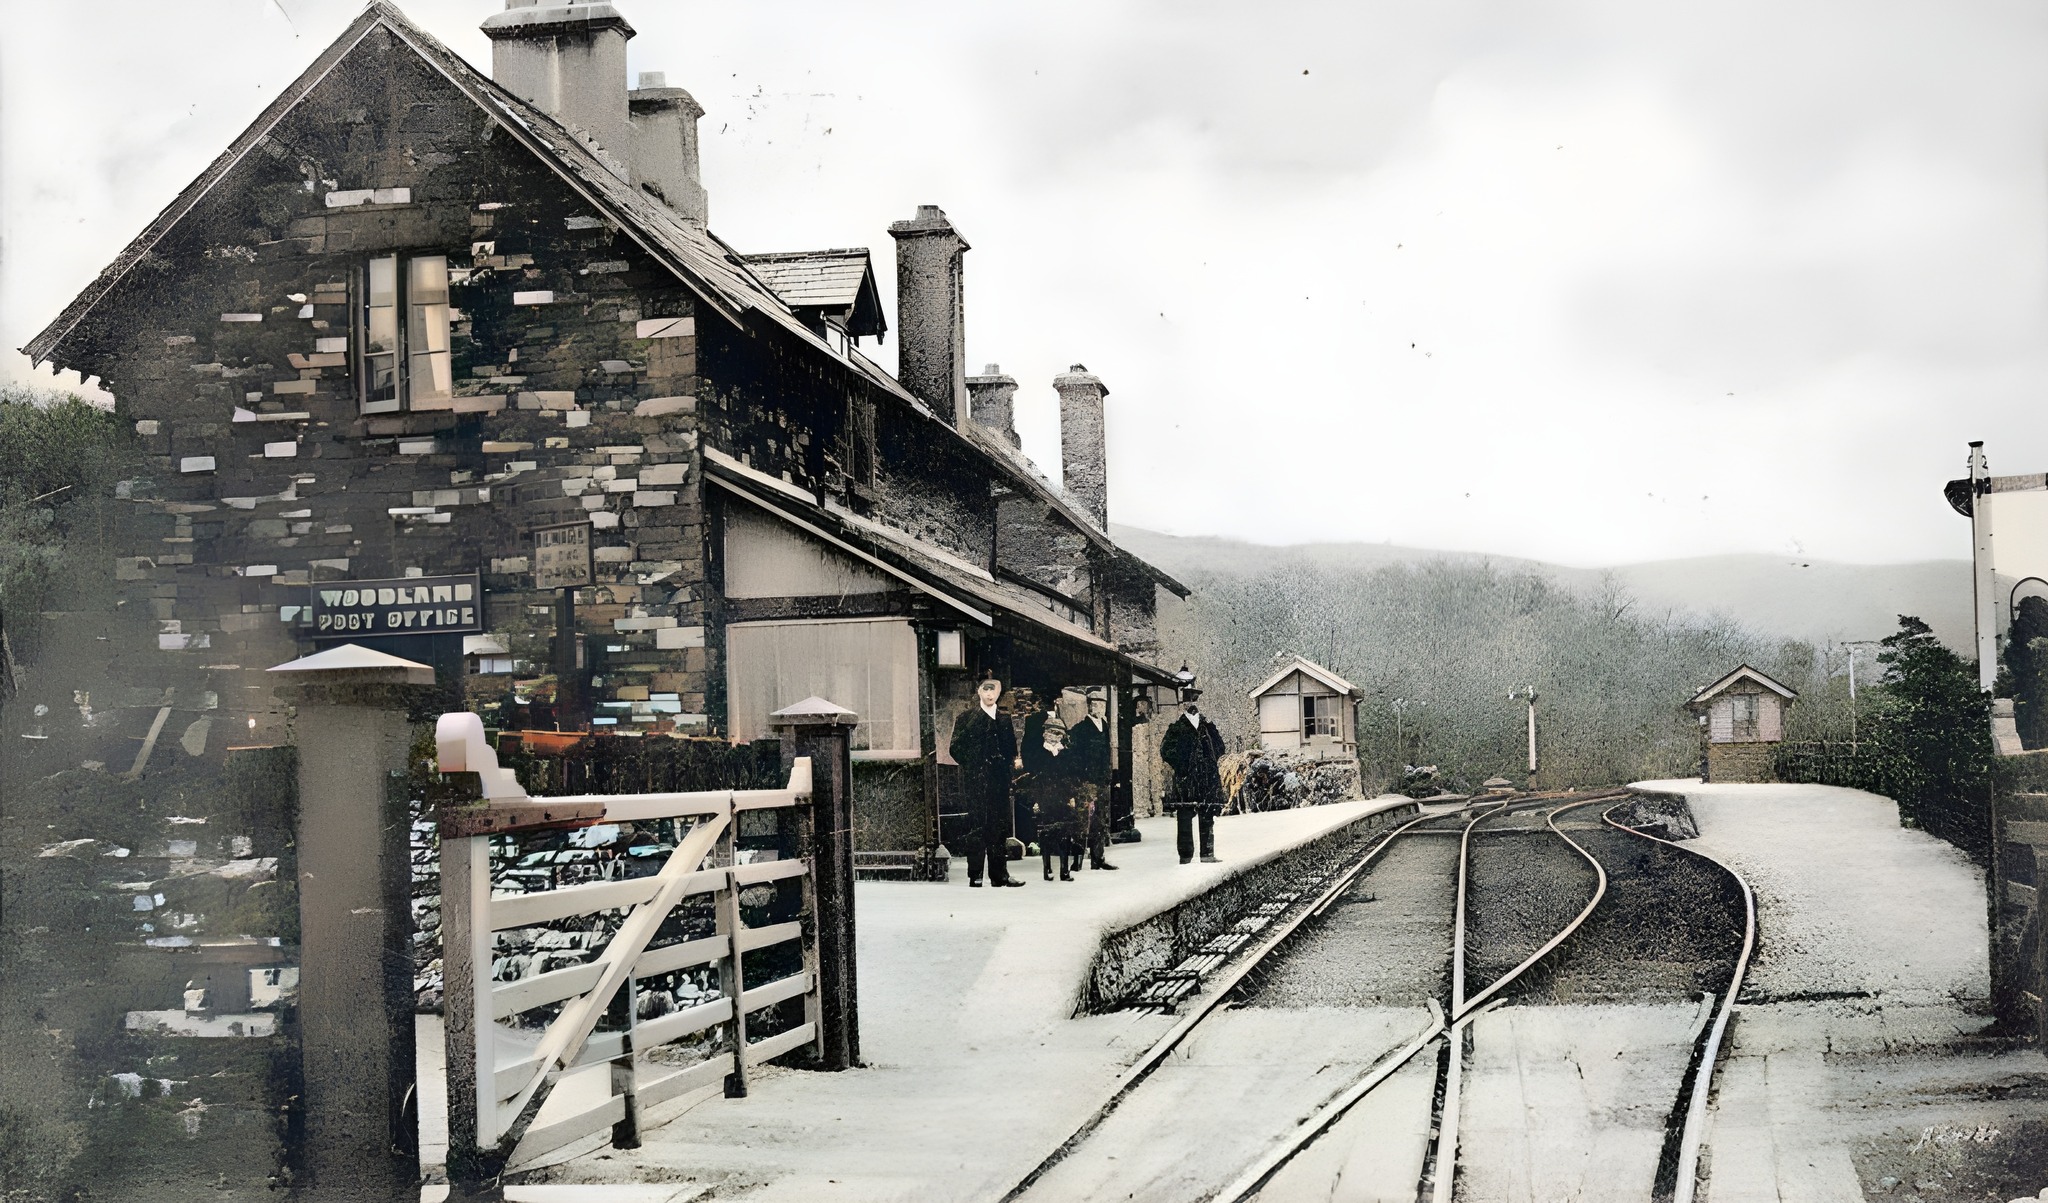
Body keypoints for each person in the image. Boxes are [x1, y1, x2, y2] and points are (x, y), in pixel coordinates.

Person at [948, 672, 1024, 887]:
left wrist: (1006, 771)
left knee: (999, 827)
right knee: (977, 825)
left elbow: (1011, 750)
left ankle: (1000, 875)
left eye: (994, 689)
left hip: (999, 782)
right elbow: (955, 748)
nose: (990, 694)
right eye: (986, 689)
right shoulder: (966, 719)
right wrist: (974, 766)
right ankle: (976, 874)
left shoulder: (1004, 719)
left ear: (999, 693)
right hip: (976, 781)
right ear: (979, 691)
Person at [1160, 690, 1227, 864]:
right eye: (1187, 703)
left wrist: (1209, 762)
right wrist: (1182, 765)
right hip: (1186, 780)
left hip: (1206, 779)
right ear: (1182, 706)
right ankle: (1185, 856)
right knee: (1184, 817)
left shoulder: (1207, 727)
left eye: (1193, 703)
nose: (1191, 706)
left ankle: (1207, 854)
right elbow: (1165, 751)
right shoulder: (1176, 728)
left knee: (1207, 815)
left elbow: (1220, 746)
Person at [1023, 715, 1084, 881]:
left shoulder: (1067, 754)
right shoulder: (1037, 753)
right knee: (1047, 834)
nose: (1054, 737)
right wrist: (1035, 799)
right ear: (1044, 733)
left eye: (1058, 734)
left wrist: (1071, 796)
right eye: (1051, 733)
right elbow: (1033, 779)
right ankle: (1047, 868)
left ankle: (1064, 870)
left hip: (1062, 798)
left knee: (1065, 833)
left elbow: (1072, 777)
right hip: (1044, 798)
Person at [1066, 689, 1118, 870]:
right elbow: (1074, 758)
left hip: (1102, 781)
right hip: (1086, 782)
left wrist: (1108, 776)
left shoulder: (1105, 727)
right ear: (1089, 706)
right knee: (1083, 820)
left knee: (1101, 820)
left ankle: (1098, 858)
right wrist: (1081, 778)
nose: (1100, 708)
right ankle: (1077, 861)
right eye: (1096, 704)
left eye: (1102, 704)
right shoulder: (1080, 730)